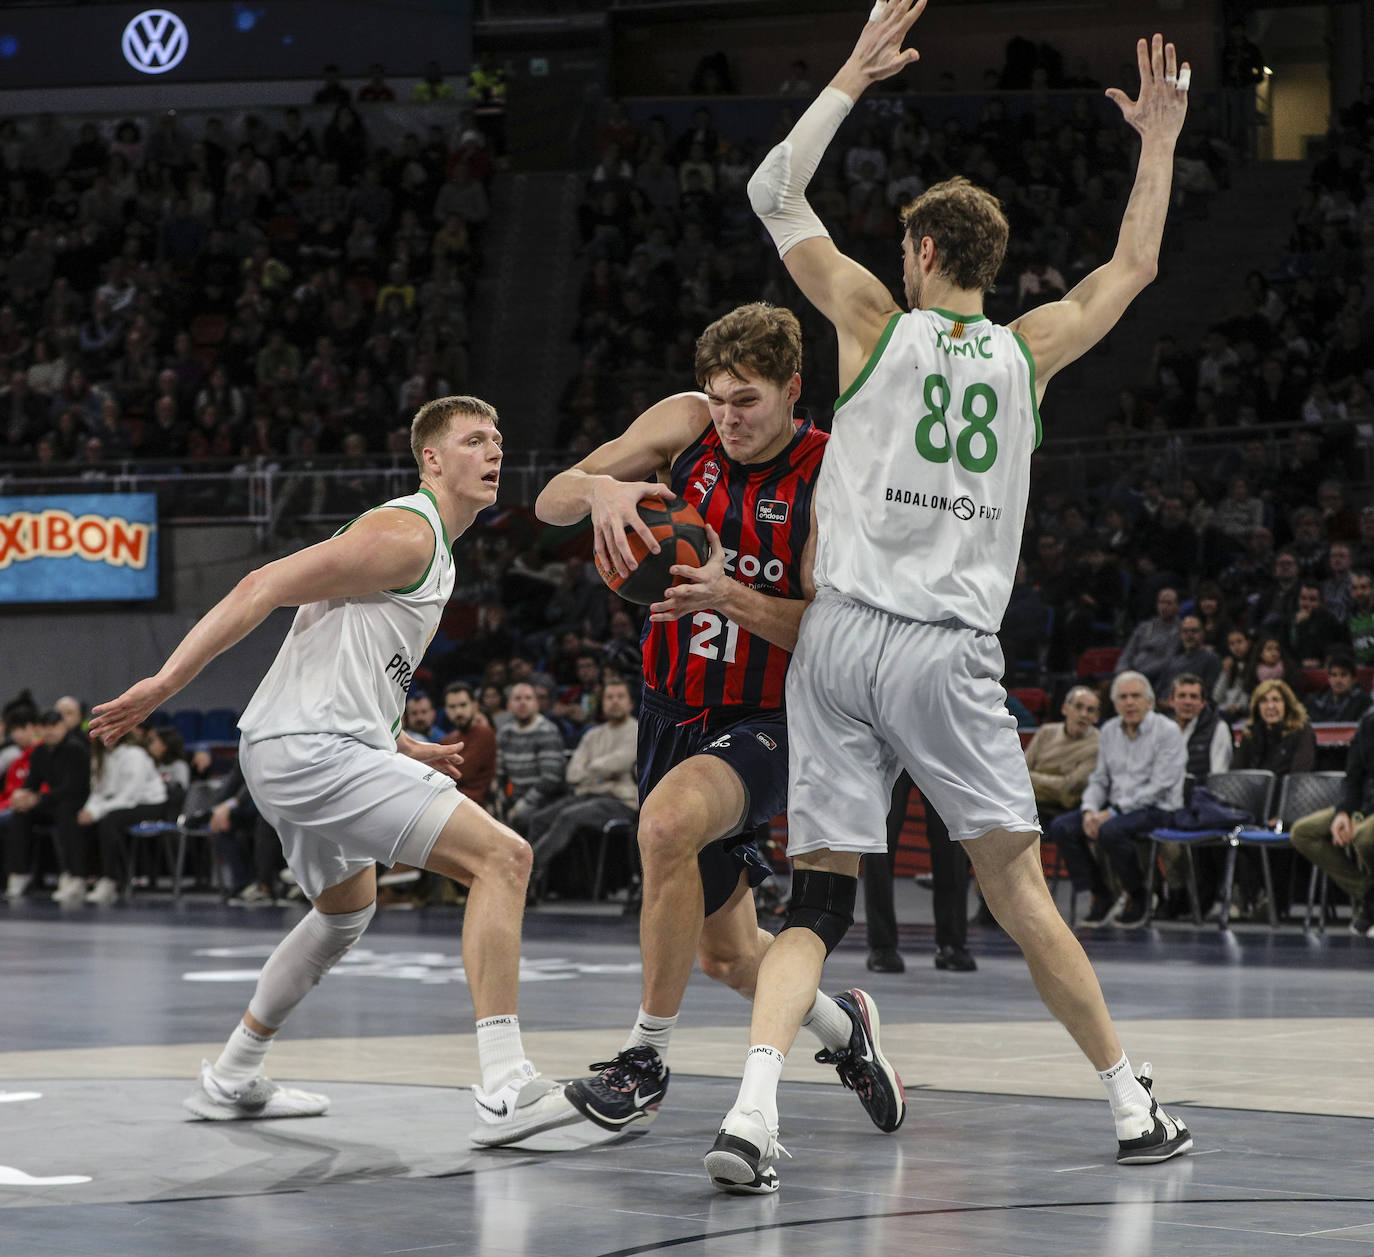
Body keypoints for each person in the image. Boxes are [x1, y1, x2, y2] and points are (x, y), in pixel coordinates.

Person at [722, 4, 1194, 1191]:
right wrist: (1158, 142)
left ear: (923, 252)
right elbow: (1135, 268)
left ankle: (752, 1113)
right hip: (944, 652)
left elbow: (774, 192)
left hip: (837, 640)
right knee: (1016, 887)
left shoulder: (871, 324)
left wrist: (851, 72)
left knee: (816, 901)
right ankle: (1130, 1104)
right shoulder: (1030, 352)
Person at [89, 395, 584, 1149]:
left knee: (345, 911)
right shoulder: (406, 533)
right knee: (504, 858)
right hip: (310, 749)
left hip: (297, 747)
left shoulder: (437, 551)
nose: (494, 451)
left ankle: (232, 1075)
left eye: (498, 438)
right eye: (474, 440)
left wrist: (399, 742)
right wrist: (164, 683)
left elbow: (353, 665)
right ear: (431, 459)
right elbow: (260, 584)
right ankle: (506, 1085)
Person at [535, 302, 903, 1151]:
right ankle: (845, 1026)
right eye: (719, 398)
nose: (729, 418)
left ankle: (644, 1061)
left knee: (665, 822)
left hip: (768, 716)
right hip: (670, 709)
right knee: (729, 956)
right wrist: (602, 488)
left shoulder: (829, 472)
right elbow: (552, 500)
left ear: (792, 390)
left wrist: (728, 593)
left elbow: (831, 631)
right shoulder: (685, 423)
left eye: (748, 400)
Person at [1048, 673, 1187, 928]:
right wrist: (1089, 810)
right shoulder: (1110, 731)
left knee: (1110, 830)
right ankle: (1101, 893)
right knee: (1063, 827)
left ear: (1149, 701)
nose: (1129, 702)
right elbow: (1099, 779)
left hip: (1159, 808)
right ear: (1115, 703)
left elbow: (1161, 786)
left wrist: (1112, 812)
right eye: (1123, 697)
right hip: (1117, 808)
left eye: (1136, 696)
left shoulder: (1168, 731)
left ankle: (1139, 894)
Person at [525, 676, 638, 899]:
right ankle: (533, 886)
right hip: (587, 796)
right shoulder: (592, 735)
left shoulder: (637, 731)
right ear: (602, 703)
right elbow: (573, 773)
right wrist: (602, 775)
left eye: (620, 697)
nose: (615, 701)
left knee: (568, 816)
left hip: (621, 801)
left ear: (630, 703)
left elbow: (620, 762)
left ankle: (524, 873)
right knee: (538, 818)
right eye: (609, 697)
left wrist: (592, 769)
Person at [864, 774, 974, 974]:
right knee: (879, 840)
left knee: (950, 840)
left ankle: (952, 943)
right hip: (889, 755)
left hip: (937, 755)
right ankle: (881, 945)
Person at [1289, 702, 1374, 936]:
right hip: (1364, 803)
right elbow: (1353, 775)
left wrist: (1360, 816)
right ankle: (1369, 894)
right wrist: (1344, 813)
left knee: (1365, 837)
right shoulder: (1369, 720)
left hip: (1368, 809)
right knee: (1304, 832)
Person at [5, 710, 90, 905]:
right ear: (40, 729)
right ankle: (20, 873)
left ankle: (75, 876)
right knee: (21, 813)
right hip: (51, 802)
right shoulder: (40, 751)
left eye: (54, 726)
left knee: (66, 813)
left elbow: (73, 788)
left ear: (62, 726)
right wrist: (22, 795)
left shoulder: (76, 748)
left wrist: (37, 798)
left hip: (76, 802)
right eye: (45, 727)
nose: (50, 731)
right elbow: (32, 782)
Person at [496, 682, 567, 833]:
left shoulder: (547, 731)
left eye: (528, 698)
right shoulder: (505, 733)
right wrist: (501, 799)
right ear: (509, 705)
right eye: (517, 698)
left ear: (536, 704)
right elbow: (500, 773)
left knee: (521, 818)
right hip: (514, 798)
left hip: (544, 802)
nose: (523, 703)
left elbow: (550, 779)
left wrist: (521, 805)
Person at [440, 682, 496, 807]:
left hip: (478, 806)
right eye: (452, 707)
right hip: (450, 803)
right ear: (446, 710)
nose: (458, 712)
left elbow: (461, 773)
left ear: (475, 706)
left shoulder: (485, 733)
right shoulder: (445, 741)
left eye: (463, 705)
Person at [1116, 587, 1182, 689]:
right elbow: (1128, 652)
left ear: (1178, 606)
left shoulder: (1180, 630)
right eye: (1161, 602)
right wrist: (1122, 670)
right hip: (1131, 673)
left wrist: (1138, 675)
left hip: (1154, 678)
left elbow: (1168, 660)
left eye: (1169, 603)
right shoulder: (1144, 626)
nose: (1164, 607)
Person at [1307, 651, 1371, 724]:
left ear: (1354, 679)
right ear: (1328, 678)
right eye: (1334, 675)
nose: (1338, 680)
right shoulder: (1315, 700)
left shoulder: (1364, 701)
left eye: (1343, 675)